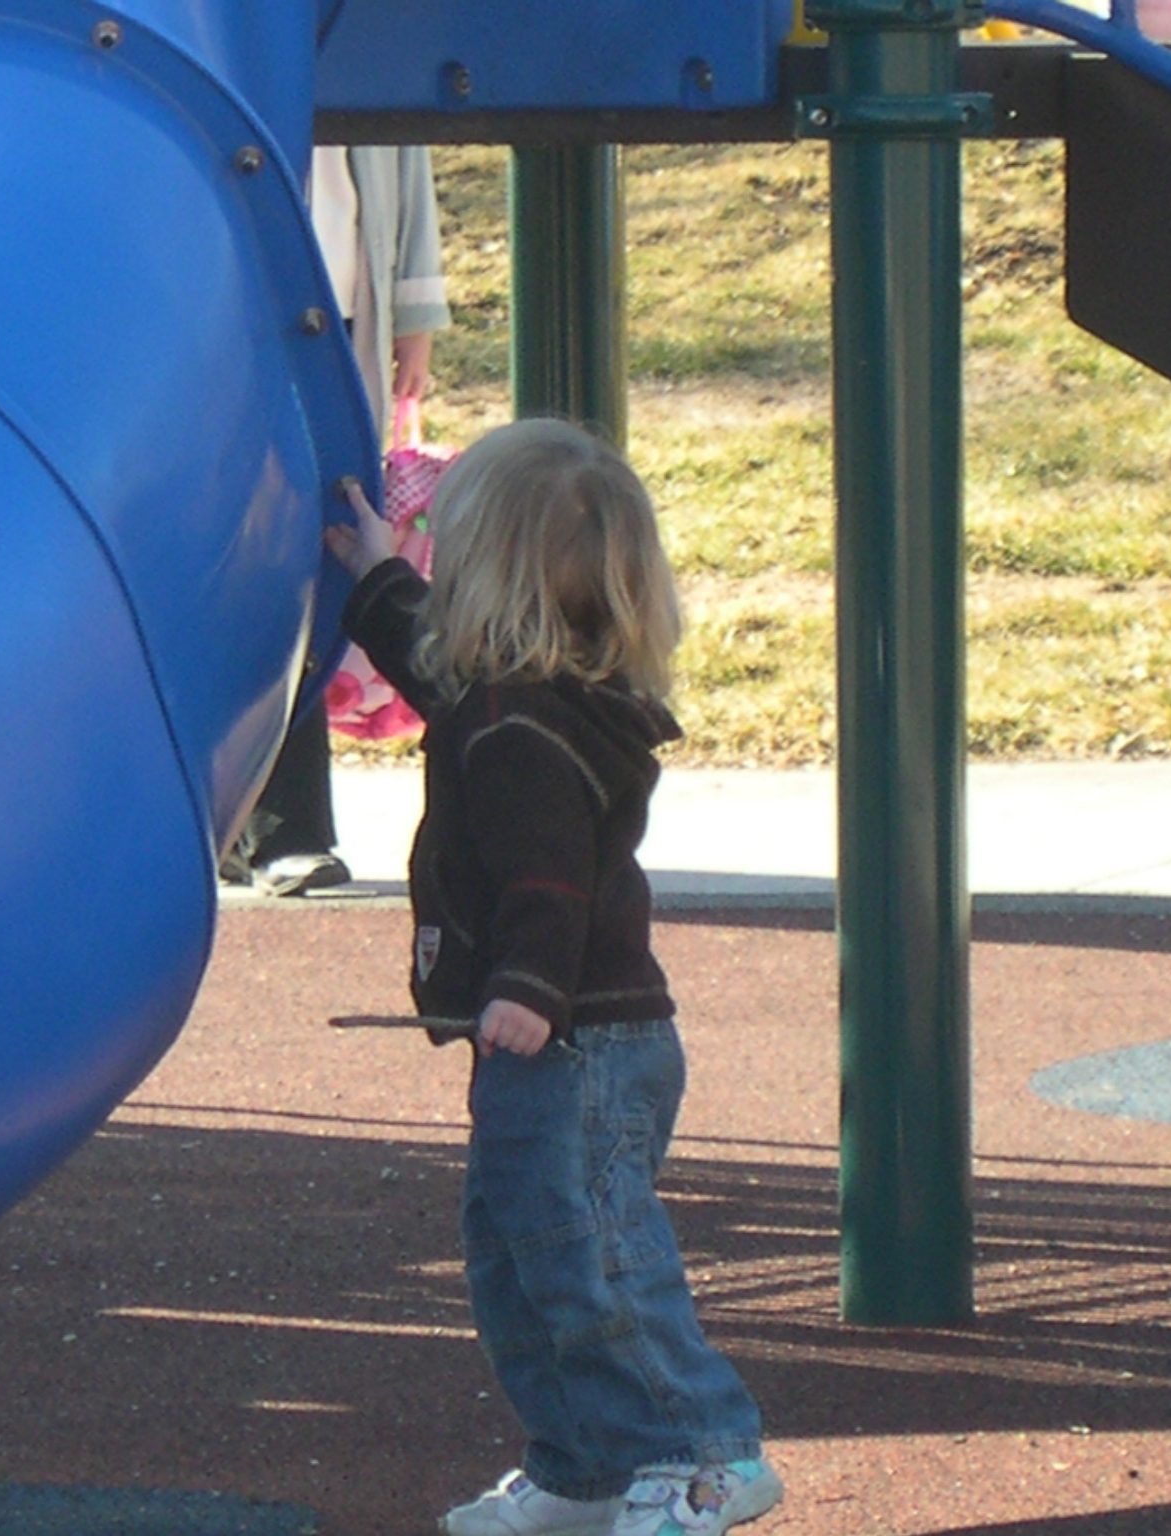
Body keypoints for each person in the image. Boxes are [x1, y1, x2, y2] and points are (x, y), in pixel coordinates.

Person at [323, 418, 783, 1536]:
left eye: (443, 552)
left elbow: (550, 880)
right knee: (518, 1257)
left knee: (591, 1258)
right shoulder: (513, 695)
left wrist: (526, 988)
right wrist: (369, 571)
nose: (430, 573)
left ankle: (702, 1454)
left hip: (574, 1041)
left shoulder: (522, 729)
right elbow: (426, 661)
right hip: (558, 1044)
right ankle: (583, 1469)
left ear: (488, 576)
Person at [225, 144, 451, 897]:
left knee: (316, 553)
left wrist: (414, 314)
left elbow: (401, 155)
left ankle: (281, 824)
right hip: (233, 300)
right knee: (250, 554)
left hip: (339, 309)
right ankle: (258, 820)